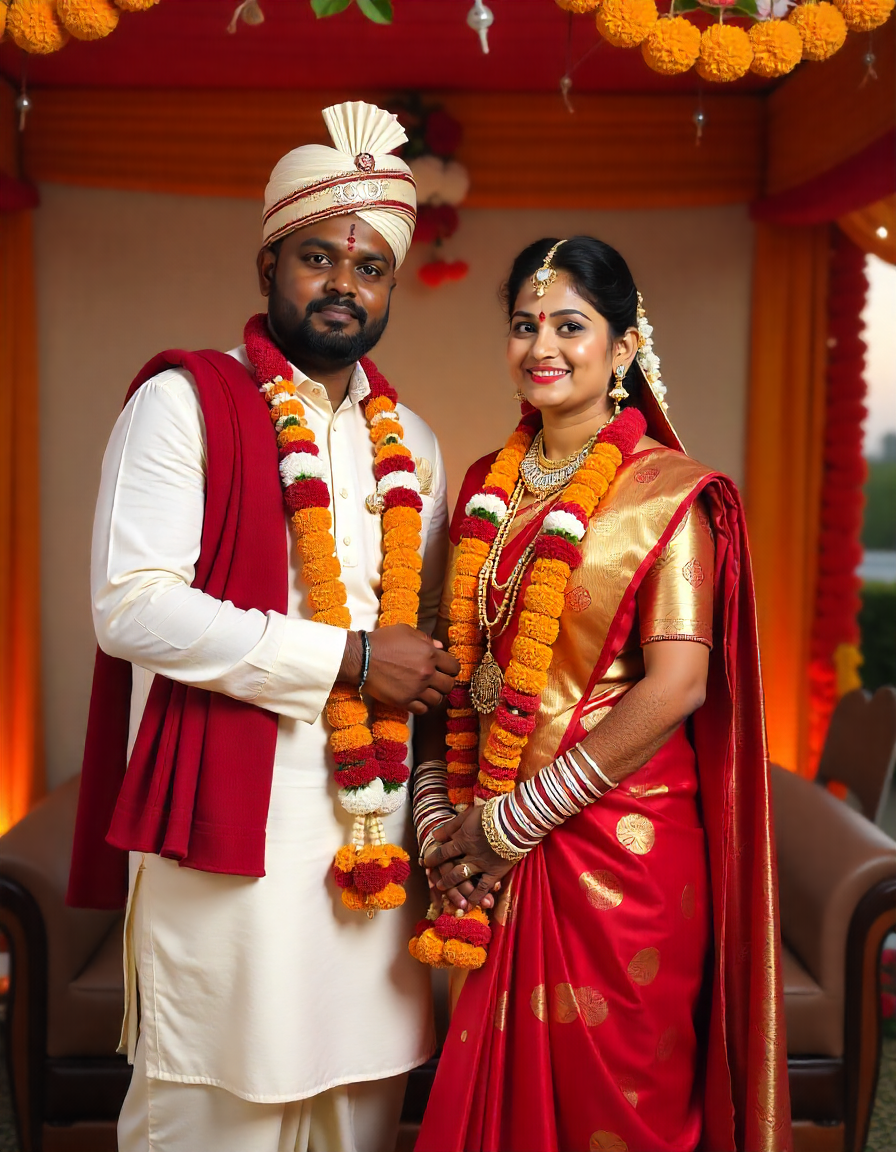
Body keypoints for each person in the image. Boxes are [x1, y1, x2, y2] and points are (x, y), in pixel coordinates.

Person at [66, 101, 461, 1152]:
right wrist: (351, 659)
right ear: (269, 267)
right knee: (213, 1107)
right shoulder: (183, 404)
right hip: (230, 835)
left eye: (369, 266)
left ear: (389, 288)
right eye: (317, 257)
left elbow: (421, 636)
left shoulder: (414, 443)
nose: (343, 284)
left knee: (359, 1111)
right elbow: (132, 605)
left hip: (370, 835)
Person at [411, 236, 792, 1152]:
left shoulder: (669, 497)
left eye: (570, 326)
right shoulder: (485, 485)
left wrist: (513, 823)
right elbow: (458, 664)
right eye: (524, 325)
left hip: (616, 850)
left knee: (615, 1105)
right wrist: (439, 818)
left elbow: (679, 686)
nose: (542, 346)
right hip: (492, 842)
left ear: (623, 347)